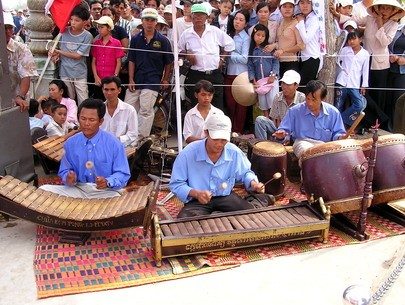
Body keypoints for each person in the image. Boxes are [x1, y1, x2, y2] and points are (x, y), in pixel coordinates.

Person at [170, 113, 267, 218]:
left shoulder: (234, 152)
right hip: (198, 200)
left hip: (225, 197)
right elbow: (177, 184)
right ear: (206, 132)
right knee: (184, 222)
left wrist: (253, 183)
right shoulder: (188, 153)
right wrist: (197, 194)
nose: (220, 144)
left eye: (224, 140)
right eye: (216, 139)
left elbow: (245, 173)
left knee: (252, 215)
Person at [40, 98, 131, 199]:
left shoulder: (114, 144)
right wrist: (68, 177)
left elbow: (122, 173)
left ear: (101, 121)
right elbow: (64, 171)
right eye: (83, 119)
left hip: (105, 191)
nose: (86, 123)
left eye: (91, 120)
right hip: (79, 189)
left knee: (117, 200)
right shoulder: (70, 143)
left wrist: (108, 181)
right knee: (43, 190)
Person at [124, 8, 173, 138]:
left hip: (152, 80)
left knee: (146, 111)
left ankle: (141, 139)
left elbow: (169, 62)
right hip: (136, 79)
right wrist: (130, 79)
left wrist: (165, 79)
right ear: (142, 21)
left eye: (152, 20)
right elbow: (131, 60)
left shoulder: (163, 40)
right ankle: (128, 137)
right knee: (128, 109)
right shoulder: (135, 39)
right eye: (147, 20)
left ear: (156, 22)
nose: (149, 23)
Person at [178, 3, 235, 111]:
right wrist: (187, 54)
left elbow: (230, 44)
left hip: (214, 74)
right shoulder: (186, 34)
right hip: (195, 74)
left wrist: (222, 59)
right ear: (191, 17)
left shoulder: (214, 31)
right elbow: (178, 49)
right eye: (196, 15)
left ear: (206, 17)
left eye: (201, 15)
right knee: (197, 107)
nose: (198, 18)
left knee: (217, 107)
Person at [273, 80, 346, 161]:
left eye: (314, 100)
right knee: (307, 154)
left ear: (323, 99)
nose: (310, 103)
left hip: (324, 145)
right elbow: (284, 130)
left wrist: (341, 137)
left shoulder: (333, 112)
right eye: (308, 99)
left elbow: (338, 133)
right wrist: (281, 135)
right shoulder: (295, 111)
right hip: (302, 142)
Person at [49, 5, 93, 104]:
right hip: (64, 71)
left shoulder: (87, 36)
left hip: (79, 72)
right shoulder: (63, 31)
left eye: (77, 20)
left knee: (83, 98)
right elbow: (54, 45)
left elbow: (78, 55)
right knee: (69, 98)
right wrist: (53, 53)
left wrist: (59, 52)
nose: (73, 22)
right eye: (72, 19)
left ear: (85, 22)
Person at [255, 70, 305, 140]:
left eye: (288, 84)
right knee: (260, 120)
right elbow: (276, 119)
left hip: (296, 133)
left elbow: (302, 123)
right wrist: (280, 133)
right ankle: (262, 146)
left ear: (296, 86)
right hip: (280, 129)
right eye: (283, 83)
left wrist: (287, 135)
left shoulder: (302, 99)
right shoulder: (278, 96)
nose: (284, 87)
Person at [4, 12, 38, 112]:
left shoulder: (21, 49)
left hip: (16, 99)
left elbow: (26, 75)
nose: (7, 31)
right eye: (4, 28)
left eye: (9, 28)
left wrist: (20, 96)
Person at [335, 29, 369, 127]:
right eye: (349, 39)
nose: (351, 42)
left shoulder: (365, 54)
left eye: (354, 39)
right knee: (338, 105)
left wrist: (364, 86)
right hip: (342, 81)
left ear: (361, 39)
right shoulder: (345, 50)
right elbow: (338, 62)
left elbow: (365, 70)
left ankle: (342, 119)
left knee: (359, 105)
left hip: (355, 83)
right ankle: (337, 126)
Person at [224, 10, 250, 133]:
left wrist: (230, 54)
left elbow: (245, 59)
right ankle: (229, 130)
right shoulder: (229, 34)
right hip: (229, 73)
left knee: (241, 105)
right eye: (236, 19)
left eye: (241, 20)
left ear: (245, 24)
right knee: (230, 103)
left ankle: (238, 131)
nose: (237, 22)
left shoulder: (246, 38)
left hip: (241, 75)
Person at [248, 24, 280, 118]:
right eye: (258, 35)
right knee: (264, 105)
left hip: (271, 80)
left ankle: (274, 124)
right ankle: (266, 122)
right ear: (253, 35)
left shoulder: (269, 49)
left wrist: (273, 75)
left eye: (263, 36)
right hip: (260, 82)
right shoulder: (252, 52)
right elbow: (250, 67)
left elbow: (275, 61)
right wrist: (253, 80)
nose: (260, 38)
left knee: (273, 103)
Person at [91, 16, 125, 99]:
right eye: (98, 27)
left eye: (102, 27)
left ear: (109, 28)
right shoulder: (96, 43)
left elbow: (118, 62)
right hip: (99, 79)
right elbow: (93, 62)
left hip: (111, 79)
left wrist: (115, 76)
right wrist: (96, 77)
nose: (99, 29)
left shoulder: (116, 43)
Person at [100, 76, 138, 146]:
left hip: (121, 148)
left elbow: (133, 135)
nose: (109, 93)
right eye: (106, 89)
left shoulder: (129, 110)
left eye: (112, 89)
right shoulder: (98, 109)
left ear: (119, 90)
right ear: (102, 90)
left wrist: (115, 141)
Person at [274, 0, 305, 77]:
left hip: (291, 62)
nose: (287, 9)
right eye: (284, 7)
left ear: (294, 9)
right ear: (280, 8)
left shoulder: (296, 23)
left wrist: (283, 51)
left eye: (290, 7)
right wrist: (274, 46)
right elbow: (281, 42)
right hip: (278, 62)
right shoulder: (281, 22)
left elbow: (301, 46)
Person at [295, 0, 322, 90]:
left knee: (302, 89)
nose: (305, 6)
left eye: (308, 3)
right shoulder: (304, 18)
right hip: (303, 58)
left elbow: (306, 39)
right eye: (302, 3)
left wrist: (301, 22)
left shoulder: (314, 18)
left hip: (312, 58)